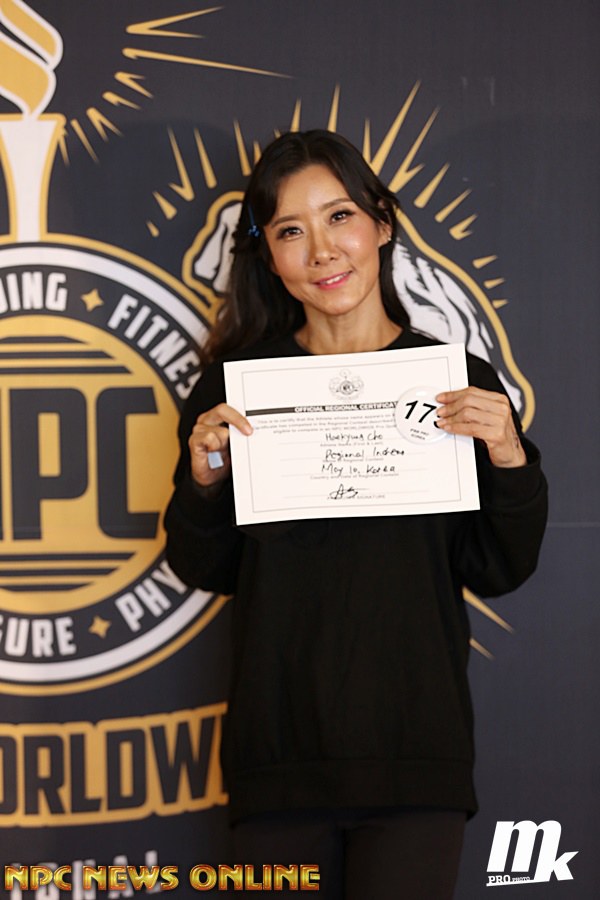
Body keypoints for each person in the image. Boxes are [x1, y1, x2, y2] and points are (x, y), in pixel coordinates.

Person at [164, 130, 547, 899]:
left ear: (382, 223)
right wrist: (203, 481)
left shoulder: (455, 381)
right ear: (268, 256)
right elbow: (204, 566)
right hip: (279, 760)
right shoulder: (235, 390)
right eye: (290, 231)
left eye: (339, 216)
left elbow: (497, 567)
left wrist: (510, 458)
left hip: (416, 756)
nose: (322, 250)